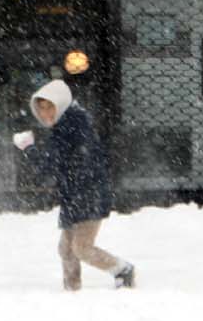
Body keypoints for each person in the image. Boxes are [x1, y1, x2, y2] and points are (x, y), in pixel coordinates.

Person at [14, 78, 134, 293]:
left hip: (88, 195)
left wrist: (28, 148)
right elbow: (58, 164)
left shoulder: (69, 128)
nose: (44, 113)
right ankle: (71, 290)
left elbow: (49, 165)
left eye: (49, 107)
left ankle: (122, 270)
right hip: (77, 195)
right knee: (66, 249)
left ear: (60, 104)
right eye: (40, 108)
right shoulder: (69, 124)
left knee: (81, 248)